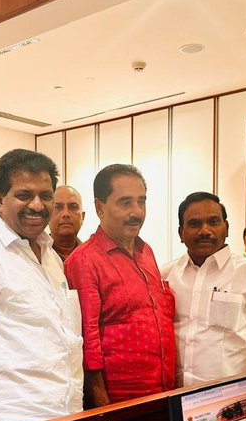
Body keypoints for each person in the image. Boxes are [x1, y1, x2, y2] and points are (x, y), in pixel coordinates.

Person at [0, 149, 83, 421]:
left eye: (45, 196)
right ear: (0, 200)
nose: (37, 205)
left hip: (66, 413)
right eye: (24, 195)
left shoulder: (50, 255)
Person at [64, 164, 176, 406]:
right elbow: (87, 340)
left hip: (163, 393)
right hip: (120, 401)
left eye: (141, 201)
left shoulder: (147, 252)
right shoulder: (84, 260)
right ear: (99, 207)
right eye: (125, 202)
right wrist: (104, 410)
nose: (137, 212)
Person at [162, 192, 246, 386]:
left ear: (226, 228)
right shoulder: (166, 276)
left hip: (230, 397)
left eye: (213, 222)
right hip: (174, 396)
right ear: (180, 233)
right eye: (194, 224)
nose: (205, 231)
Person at [49, 184, 85, 261]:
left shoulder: (93, 255)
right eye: (58, 207)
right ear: (47, 216)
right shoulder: (36, 255)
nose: (66, 214)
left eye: (73, 207)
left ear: (83, 217)